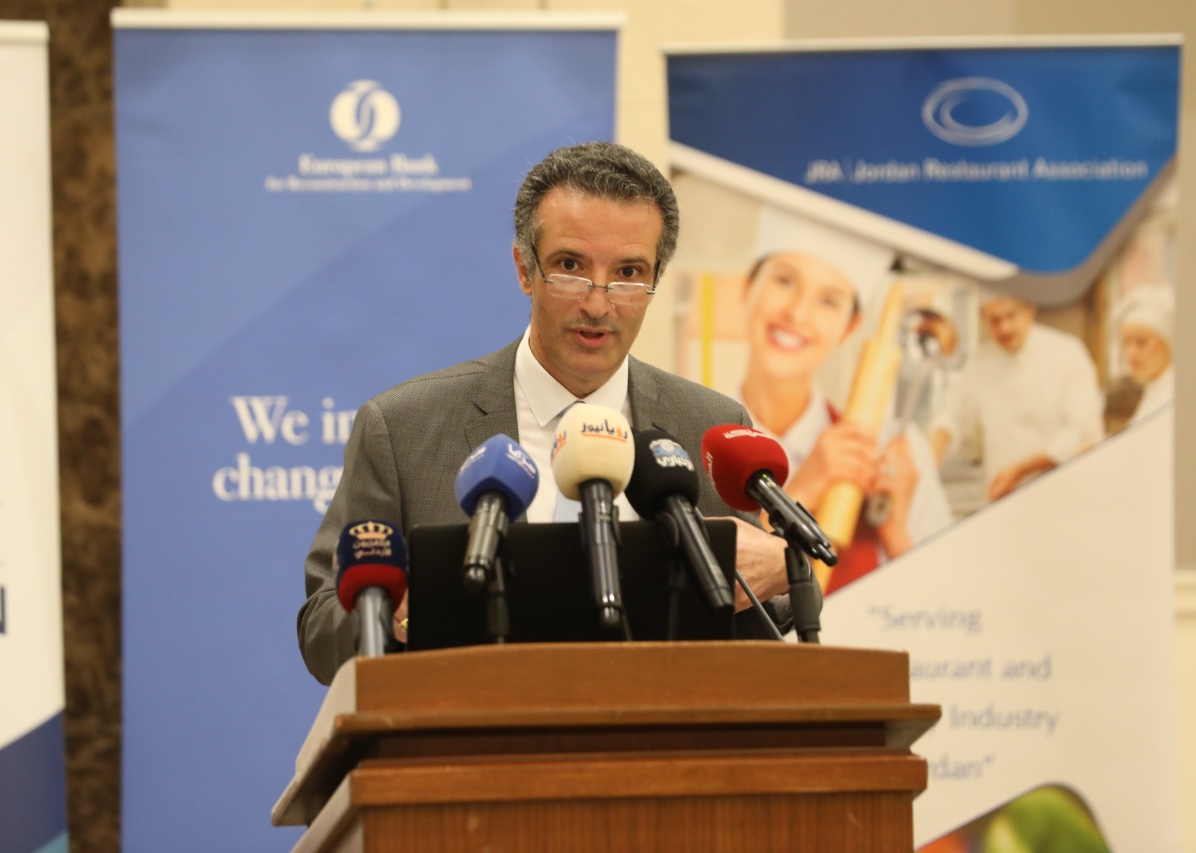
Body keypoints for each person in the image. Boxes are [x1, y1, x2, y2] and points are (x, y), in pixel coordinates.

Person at [298, 142, 793, 685]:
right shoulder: (402, 428)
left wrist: (784, 572)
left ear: (656, 280)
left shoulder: (707, 426)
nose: (598, 304)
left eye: (628, 272)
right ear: (524, 269)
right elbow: (323, 630)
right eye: (570, 266)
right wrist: (384, 613)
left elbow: (758, 623)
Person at [738, 209, 952, 594]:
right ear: (748, 288)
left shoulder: (895, 455)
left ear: (850, 328)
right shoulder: (685, 442)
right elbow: (687, 597)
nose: (797, 313)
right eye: (785, 281)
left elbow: (946, 607)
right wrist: (801, 491)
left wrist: (896, 530)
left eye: (828, 301)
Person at [930, 288, 1103, 501]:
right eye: (994, 319)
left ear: (1030, 309)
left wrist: (1021, 469)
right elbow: (954, 417)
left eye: (1011, 315)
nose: (1004, 327)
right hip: (1004, 495)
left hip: (1064, 494)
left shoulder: (1068, 353)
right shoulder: (981, 361)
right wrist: (930, 460)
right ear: (983, 319)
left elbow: (1081, 435)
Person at [1115, 283, 1174, 425]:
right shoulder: (1153, 390)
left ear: (1165, 344)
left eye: (1141, 342)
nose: (1131, 353)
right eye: (1126, 342)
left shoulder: (1176, 394)